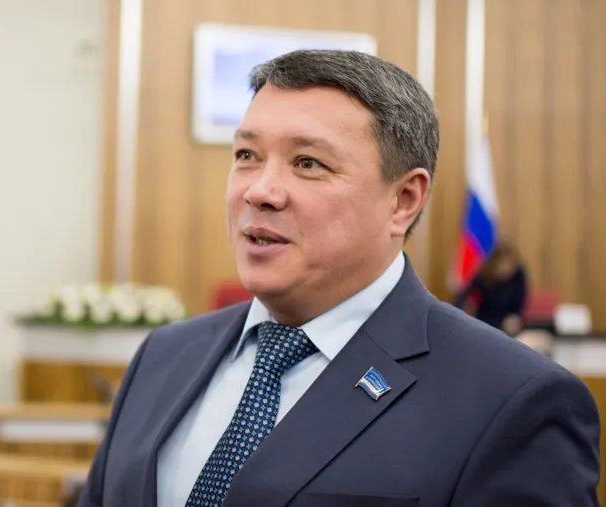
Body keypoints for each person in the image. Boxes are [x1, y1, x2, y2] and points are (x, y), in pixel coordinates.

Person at [78, 50, 600, 507]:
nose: (259, 191)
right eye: (246, 155)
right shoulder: (164, 355)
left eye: (307, 163)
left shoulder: (511, 399)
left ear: (403, 201)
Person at [455, 240, 528, 335]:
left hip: (506, 323)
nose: (507, 270)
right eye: (502, 264)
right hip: (483, 320)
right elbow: (462, 298)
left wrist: (516, 318)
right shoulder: (483, 275)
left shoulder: (518, 276)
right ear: (494, 264)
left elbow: (520, 306)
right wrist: (466, 307)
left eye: (511, 266)